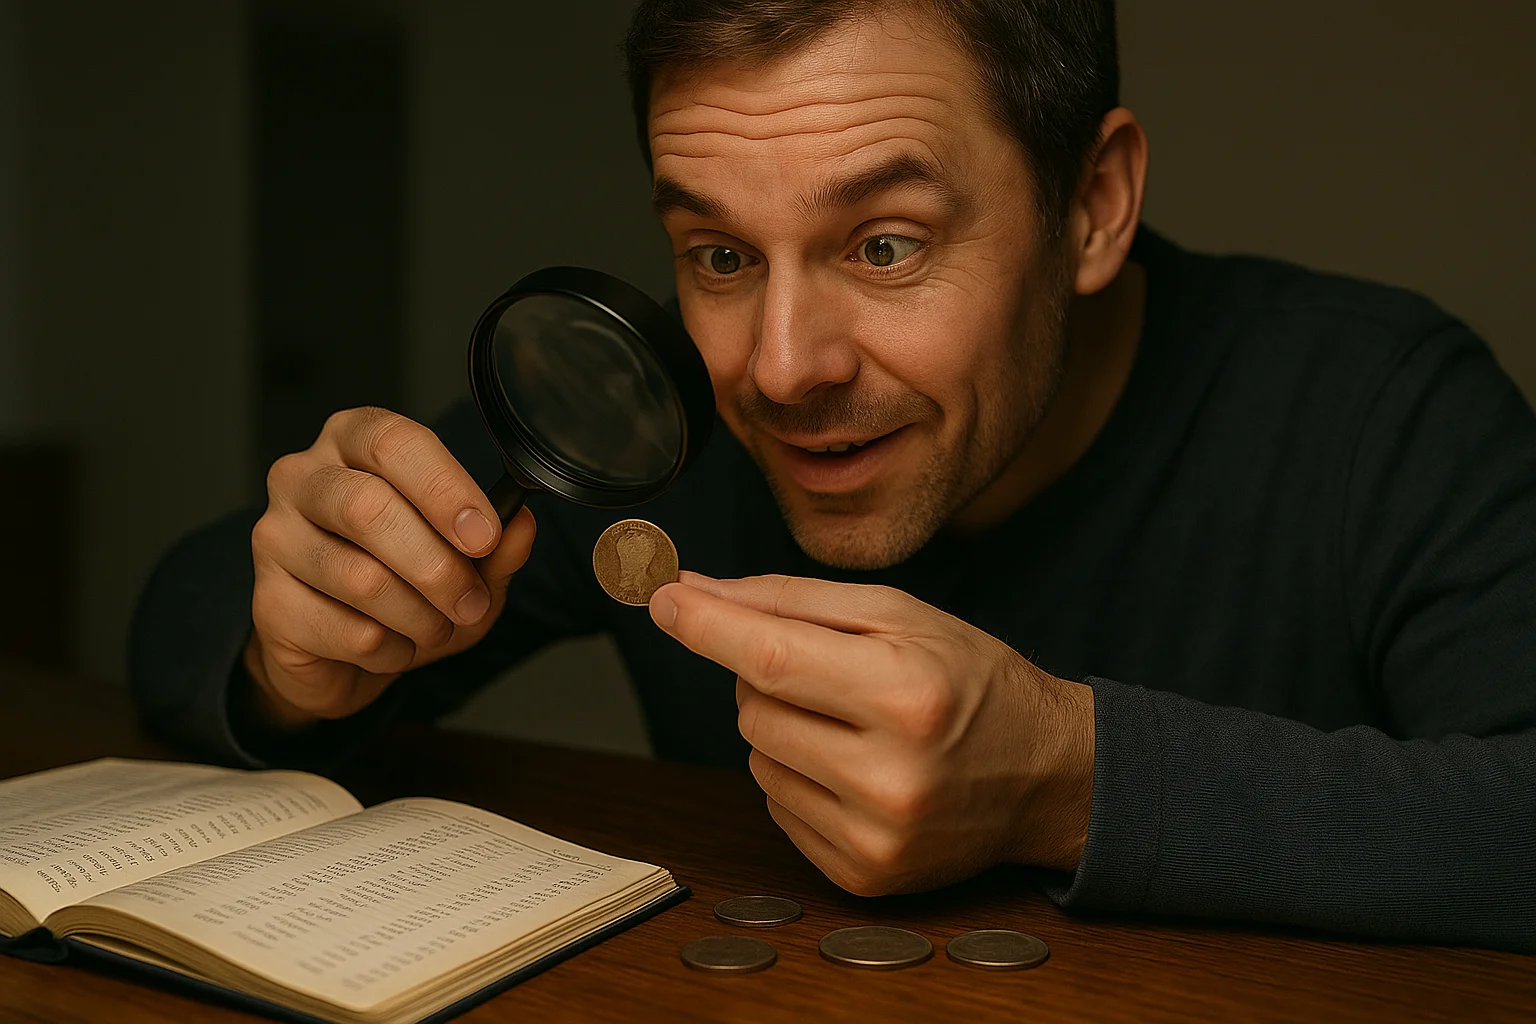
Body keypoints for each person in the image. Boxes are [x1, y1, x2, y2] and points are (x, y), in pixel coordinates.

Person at [129, 0, 1536, 952]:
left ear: (1092, 206)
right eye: (722, 255)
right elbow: (180, 623)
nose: (782, 369)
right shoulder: (652, 421)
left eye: (885, 244)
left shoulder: (1380, 407)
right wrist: (290, 654)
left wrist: (1074, 779)